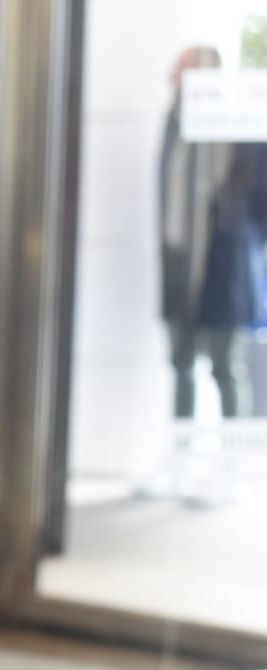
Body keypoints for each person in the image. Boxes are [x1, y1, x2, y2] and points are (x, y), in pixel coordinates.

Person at [159, 45, 264, 420]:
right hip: (178, 259)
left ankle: (234, 458)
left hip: (223, 264)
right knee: (181, 363)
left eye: (184, 71)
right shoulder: (173, 124)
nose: (175, 79)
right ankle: (182, 452)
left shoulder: (240, 131)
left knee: (224, 364)